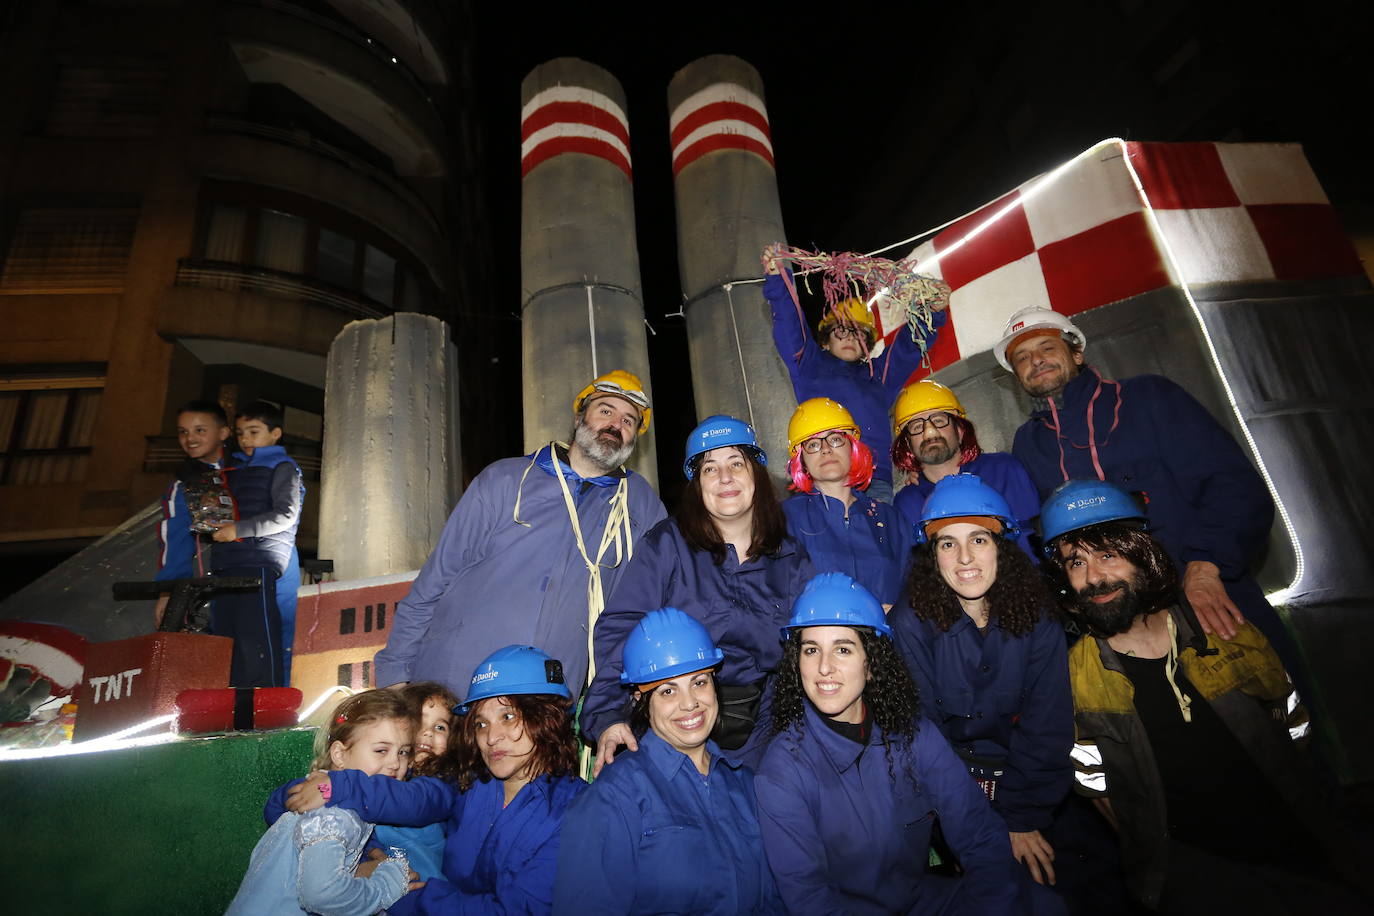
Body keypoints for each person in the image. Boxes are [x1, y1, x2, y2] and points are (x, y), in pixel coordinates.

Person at [1041, 479, 1374, 913]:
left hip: (1299, 849)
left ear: (1143, 554)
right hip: (1198, 878)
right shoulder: (1074, 680)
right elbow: (1100, 793)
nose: (1094, 577)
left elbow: (1294, 727)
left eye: (1108, 554)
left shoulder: (1226, 632)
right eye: (1076, 562)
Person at [995, 307, 1299, 679]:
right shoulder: (1029, 443)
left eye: (1046, 347)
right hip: (1119, 628)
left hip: (1203, 599)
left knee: (1273, 720)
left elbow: (1234, 485)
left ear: (1077, 353)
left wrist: (1206, 567)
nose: (1035, 361)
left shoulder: (1149, 396)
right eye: (1021, 358)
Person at [374, 370, 667, 697]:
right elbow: (435, 580)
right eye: (606, 411)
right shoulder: (506, 479)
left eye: (629, 421)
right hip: (456, 685)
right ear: (579, 417)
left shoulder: (639, 506)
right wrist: (395, 674)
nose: (616, 424)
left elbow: (646, 603)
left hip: (547, 697)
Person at [755, 572, 1031, 915]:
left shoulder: (915, 734)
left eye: (842, 649)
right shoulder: (783, 771)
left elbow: (978, 834)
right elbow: (810, 899)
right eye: (811, 650)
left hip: (921, 901)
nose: (824, 667)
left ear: (871, 664)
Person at [582, 415, 814, 770]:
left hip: (764, 732)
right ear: (697, 483)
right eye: (710, 468)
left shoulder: (789, 557)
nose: (725, 478)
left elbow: (812, 646)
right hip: (674, 725)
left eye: (736, 463)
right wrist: (609, 715)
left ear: (756, 474)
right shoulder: (667, 545)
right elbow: (622, 629)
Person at [286, 645, 586, 915]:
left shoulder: (576, 811)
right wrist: (323, 792)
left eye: (508, 717)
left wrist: (407, 894)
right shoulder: (470, 784)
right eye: (481, 723)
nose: (491, 737)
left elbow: (521, 911)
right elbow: (401, 800)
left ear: (547, 716)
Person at [891, 473, 1074, 894]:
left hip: (1029, 787)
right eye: (947, 543)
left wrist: (1020, 818)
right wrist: (967, 823)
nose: (964, 558)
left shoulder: (1040, 619)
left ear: (1001, 547)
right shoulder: (910, 623)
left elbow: (1047, 726)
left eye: (978, 539)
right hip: (951, 791)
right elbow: (923, 736)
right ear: (932, 555)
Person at [553, 608, 783, 915]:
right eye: (668, 690)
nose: (690, 703)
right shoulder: (614, 798)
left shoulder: (744, 786)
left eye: (699, 682)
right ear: (640, 699)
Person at [763, 243, 947, 502]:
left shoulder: (878, 375)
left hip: (875, 482)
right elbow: (790, 325)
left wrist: (932, 311)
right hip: (824, 478)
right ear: (825, 340)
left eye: (860, 333)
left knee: (878, 542)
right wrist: (777, 280)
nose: (851, 337)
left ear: (867, 345)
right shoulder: (809, 365)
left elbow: (908, 347)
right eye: (842, 329)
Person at [227, 689, 418, 915]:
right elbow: (323, 896)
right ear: (339, 755)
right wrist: (389, 883)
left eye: (403, 752)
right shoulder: (333, 813)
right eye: (381, 750)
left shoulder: (338, 806)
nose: (395, 763)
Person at [781, 397, 910, 607]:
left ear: (853, 447)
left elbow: (916, 591)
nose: (825, 449)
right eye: (813, 444)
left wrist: (899, 616)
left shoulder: (891, 520)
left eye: (835, 439)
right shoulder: (784, 520)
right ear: (801, 460)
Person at [891, 379, 1040, 559]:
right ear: (908, 444)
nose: (929, 432)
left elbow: (1032, 542)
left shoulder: (1003, 470)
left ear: (960, 431)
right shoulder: (907, 502)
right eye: (917, 427)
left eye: (939, 421)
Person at [232, 400, 305, 684]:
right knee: (246, 635)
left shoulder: (283, 466)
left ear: (275, 433)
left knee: (279, 631)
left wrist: (238, 528)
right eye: (240, 433)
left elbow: (286, 514)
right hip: (246, 557)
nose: (246, 440)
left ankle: (279, 697)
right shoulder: (238, 469)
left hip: (276, 557)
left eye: (253, 432)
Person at [366, 682, 460, 884]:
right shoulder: (384, 770)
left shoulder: (443, 782)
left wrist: (343, 787)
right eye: (419, 722)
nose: (428, 733)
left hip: (424, 887)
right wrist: (372, 850)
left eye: (440, 727)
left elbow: (413, 802)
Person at [153, 400, 231, 614]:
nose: (190, 439)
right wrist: (169, 593)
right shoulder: (183, 484)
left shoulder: (250, 470)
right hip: (215, 583)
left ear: (223, 432)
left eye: (200, 430)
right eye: (183, 432)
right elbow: (176, 539)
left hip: (266, 574)